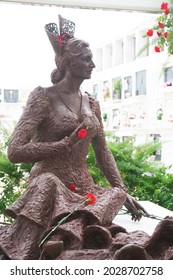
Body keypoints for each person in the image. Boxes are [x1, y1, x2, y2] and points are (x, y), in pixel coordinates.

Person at [0, 15, 147, 260]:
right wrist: (61, 145)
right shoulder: (42, 97)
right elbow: (14, 151)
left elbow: (103, 152)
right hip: (50, 183)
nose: (93, 65)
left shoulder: (92, 103)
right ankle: (55, 237)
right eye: (86, 59)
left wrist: (123, 190)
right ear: (69, 62)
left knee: (117, 193)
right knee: (47, 182)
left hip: (83, 189)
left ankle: (63, 235)